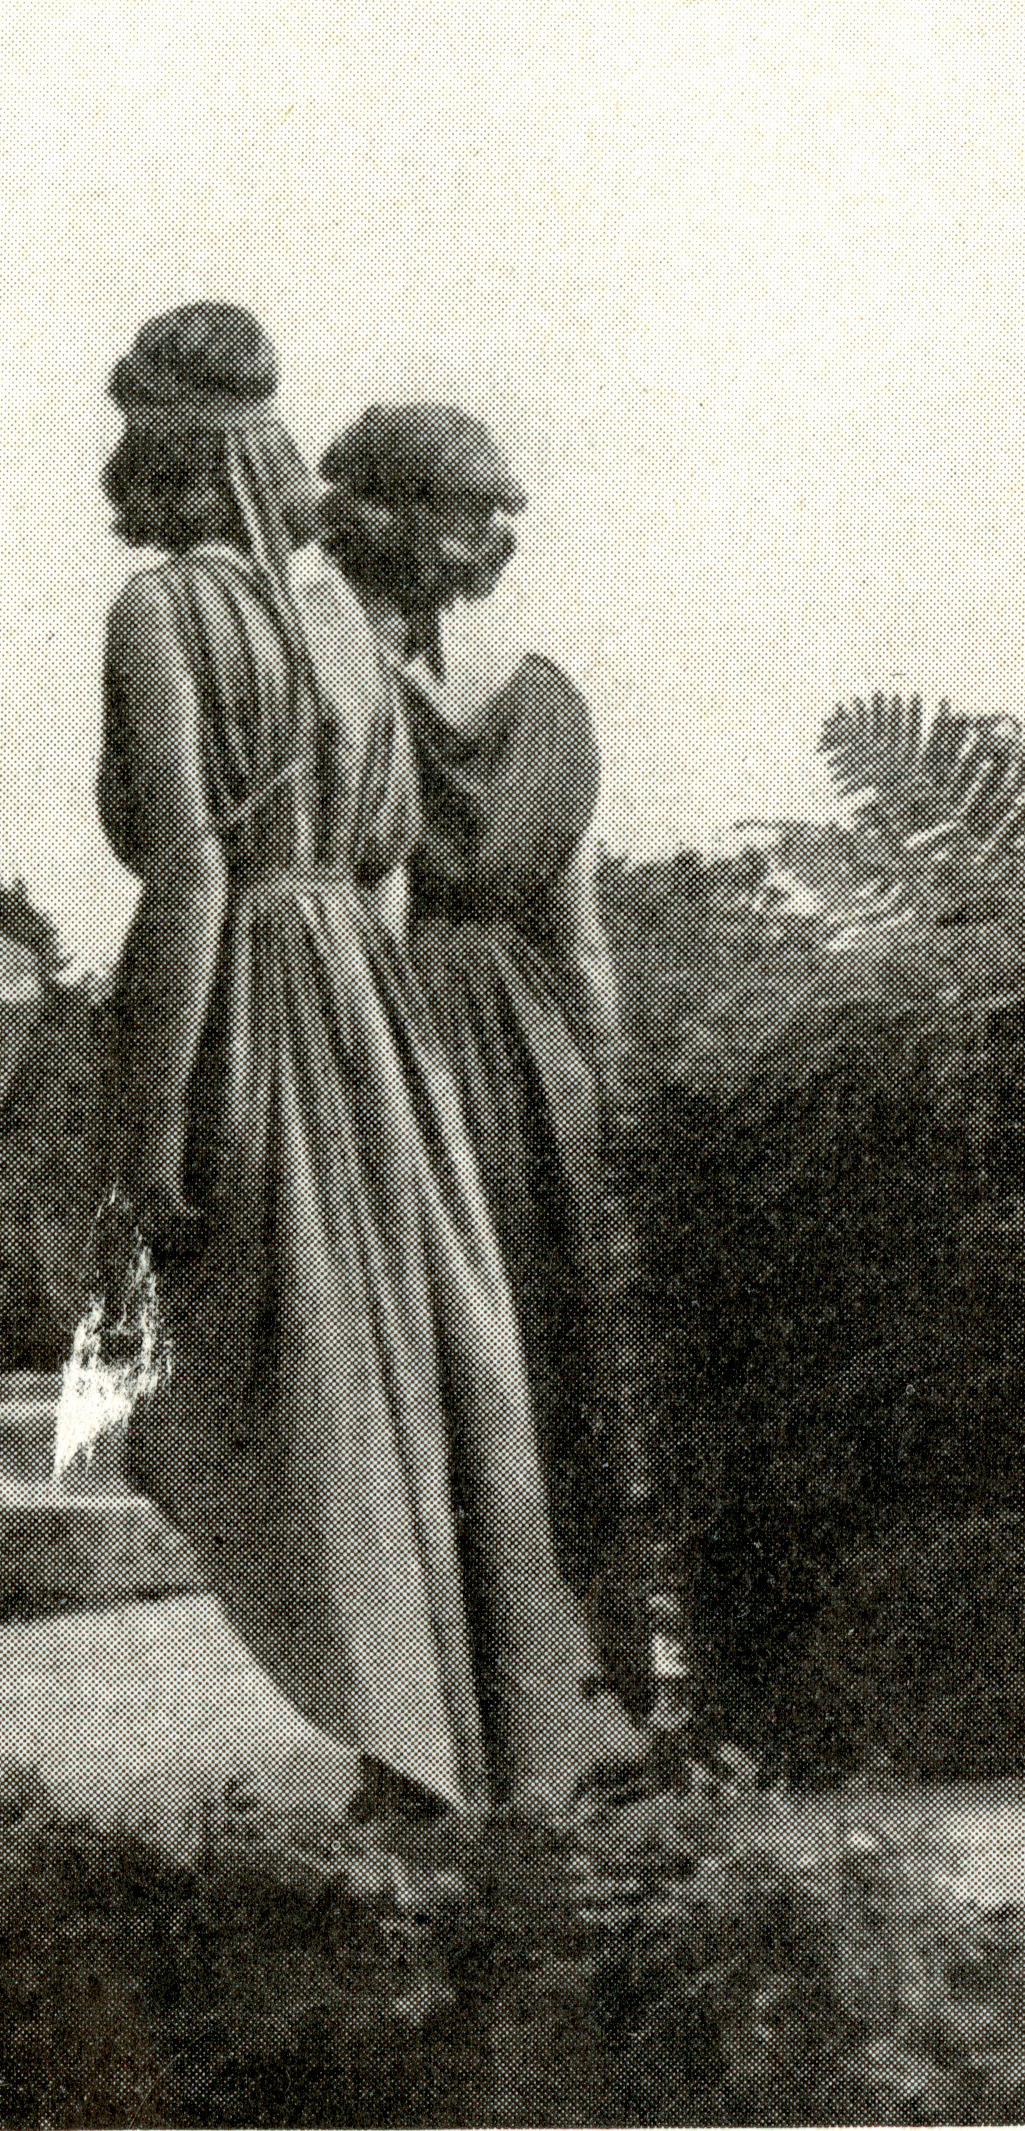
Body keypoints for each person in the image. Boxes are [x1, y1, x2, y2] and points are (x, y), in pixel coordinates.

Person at [89, 301, 633, 1816]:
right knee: (430, 1363)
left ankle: (394, 1729)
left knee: (257, 1375)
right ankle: (501, 1742)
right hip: (365, 1001)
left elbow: (188, 876)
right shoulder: (337, 624)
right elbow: (385, 860)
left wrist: (148, 1131)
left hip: (247, 986)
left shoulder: (159, 610)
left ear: (154, 448)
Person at [319, 401, 655, 1703]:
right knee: (563, 1364)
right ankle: (597, 1691)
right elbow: (578, 936)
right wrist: (610, 1097)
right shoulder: (549, 700)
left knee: (418, 1388)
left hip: (405, 1041)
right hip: (539, 1057)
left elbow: (367, 900)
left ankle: (441, 1718)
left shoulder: (342, 684)